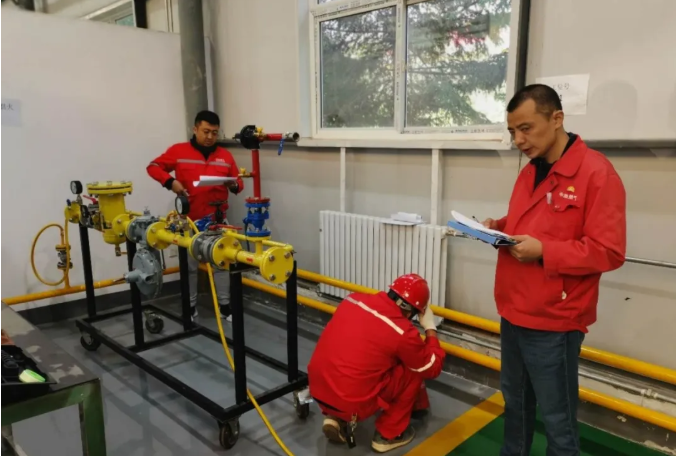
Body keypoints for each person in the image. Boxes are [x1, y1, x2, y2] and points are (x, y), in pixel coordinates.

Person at [483, 84, 626, 456]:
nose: (518, 140)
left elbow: (609, 251)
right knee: (515, 405)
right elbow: (531, 220)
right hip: (514, 309)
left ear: (557, 118)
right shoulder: (530, 171)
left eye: (526, 128)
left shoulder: (596, 173)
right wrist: (498, 227)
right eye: (512, 131)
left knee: (557, 419)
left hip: (555, 320)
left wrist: (545, 251)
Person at [308, 273, 446, 453]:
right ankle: (389, 435)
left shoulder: (353, 299)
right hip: (352, 402)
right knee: (413, 369)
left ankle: (336, 417)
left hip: (318, 388)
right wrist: (430, 327)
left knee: (356, 359)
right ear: (414, 311)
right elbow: (431, 367)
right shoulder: (402, 331)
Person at [147, 110, 244, 320]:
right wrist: (171, 182)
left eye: (214, 133)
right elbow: (153, 167)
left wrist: (234, 184)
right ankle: (189, 307)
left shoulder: (225, 156)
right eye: (206, 131)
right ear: (195, 129)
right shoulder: (179, 151)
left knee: (222, 264)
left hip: (218, 221)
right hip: (188, 222)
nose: (210, 137)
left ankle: (225, 307)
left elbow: (238, 182)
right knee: (189, 267)